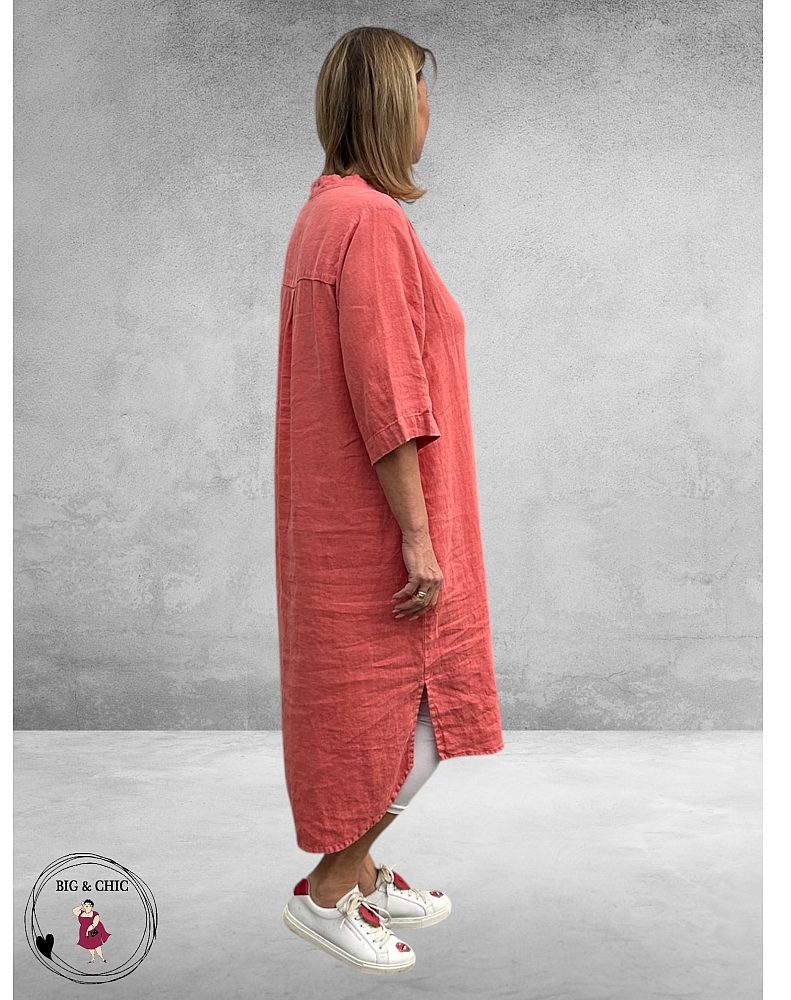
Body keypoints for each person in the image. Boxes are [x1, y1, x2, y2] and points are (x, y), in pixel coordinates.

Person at [274, 26, 504, 974]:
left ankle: (361, 870)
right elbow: (388, 395)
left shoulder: (325, 211)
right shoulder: (370, 222)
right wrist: (418, 537)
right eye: (422, 92)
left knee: (384, 713)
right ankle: (330, 890)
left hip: (342, 516)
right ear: (390, 105)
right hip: (377, 525)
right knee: (413, 721)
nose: (429, 113)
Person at [72, 899, 110, 963]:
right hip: (83, 931)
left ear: (91, 906)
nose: (87, 906)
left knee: (97, 945)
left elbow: (95, 923)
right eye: (85, 904)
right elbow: (74, 910)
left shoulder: (95, 914)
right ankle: (93, 958)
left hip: (94, 931)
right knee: (89, 946)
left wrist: (88, 930)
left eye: (89, 904)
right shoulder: (81, 913)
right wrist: (81, 905)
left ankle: (102, 958)